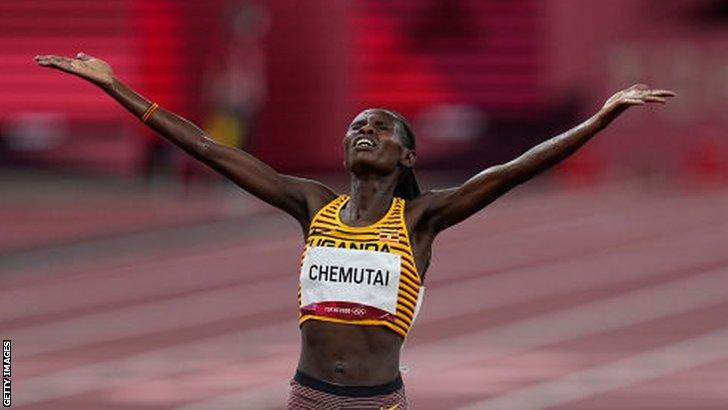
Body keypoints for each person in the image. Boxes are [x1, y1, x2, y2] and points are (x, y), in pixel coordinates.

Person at [35, 53, 675, 409]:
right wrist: (120, 88)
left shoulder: (422, 218)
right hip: (307, 399)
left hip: (378, 405)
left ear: (408, 158)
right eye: (356, 125)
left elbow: (512, 170)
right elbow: (207, 148)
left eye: (382, 126)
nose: (364, 129)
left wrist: (600, 118)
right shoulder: (311, 204)